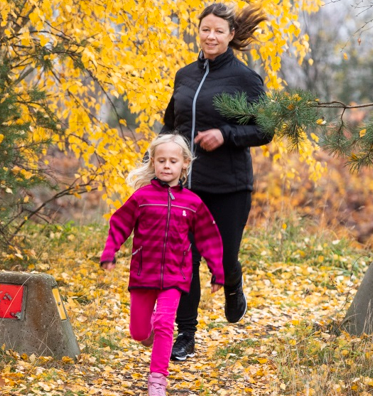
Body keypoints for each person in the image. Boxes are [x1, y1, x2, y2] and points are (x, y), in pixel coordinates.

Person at [159, 2, 272, 362]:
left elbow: (265, 129)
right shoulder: (185, 75)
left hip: (229, 186)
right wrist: (159, 155)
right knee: (184, 261)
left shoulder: (245, 79)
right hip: (186, 187)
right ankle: (186, 335)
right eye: (205, 29)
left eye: (218, 31)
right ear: (200, 30)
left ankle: (233, 286)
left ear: (230, 35)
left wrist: (226, 134)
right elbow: (171, 123)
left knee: (221, 258)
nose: (210, 36)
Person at [100, 134, 225, 396]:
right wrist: (110, 251)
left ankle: (158, 379)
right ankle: (151, 331)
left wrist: (218, 271)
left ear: (184, 165)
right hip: (143, 273)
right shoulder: (142, 197)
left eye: (173, 161)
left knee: (167, 323)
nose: (167, 166)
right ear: (154, 164)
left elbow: (208, 236)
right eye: (161, 161)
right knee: (139, 332)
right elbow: (120, 224)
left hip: (176, 275)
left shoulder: (192, 203)